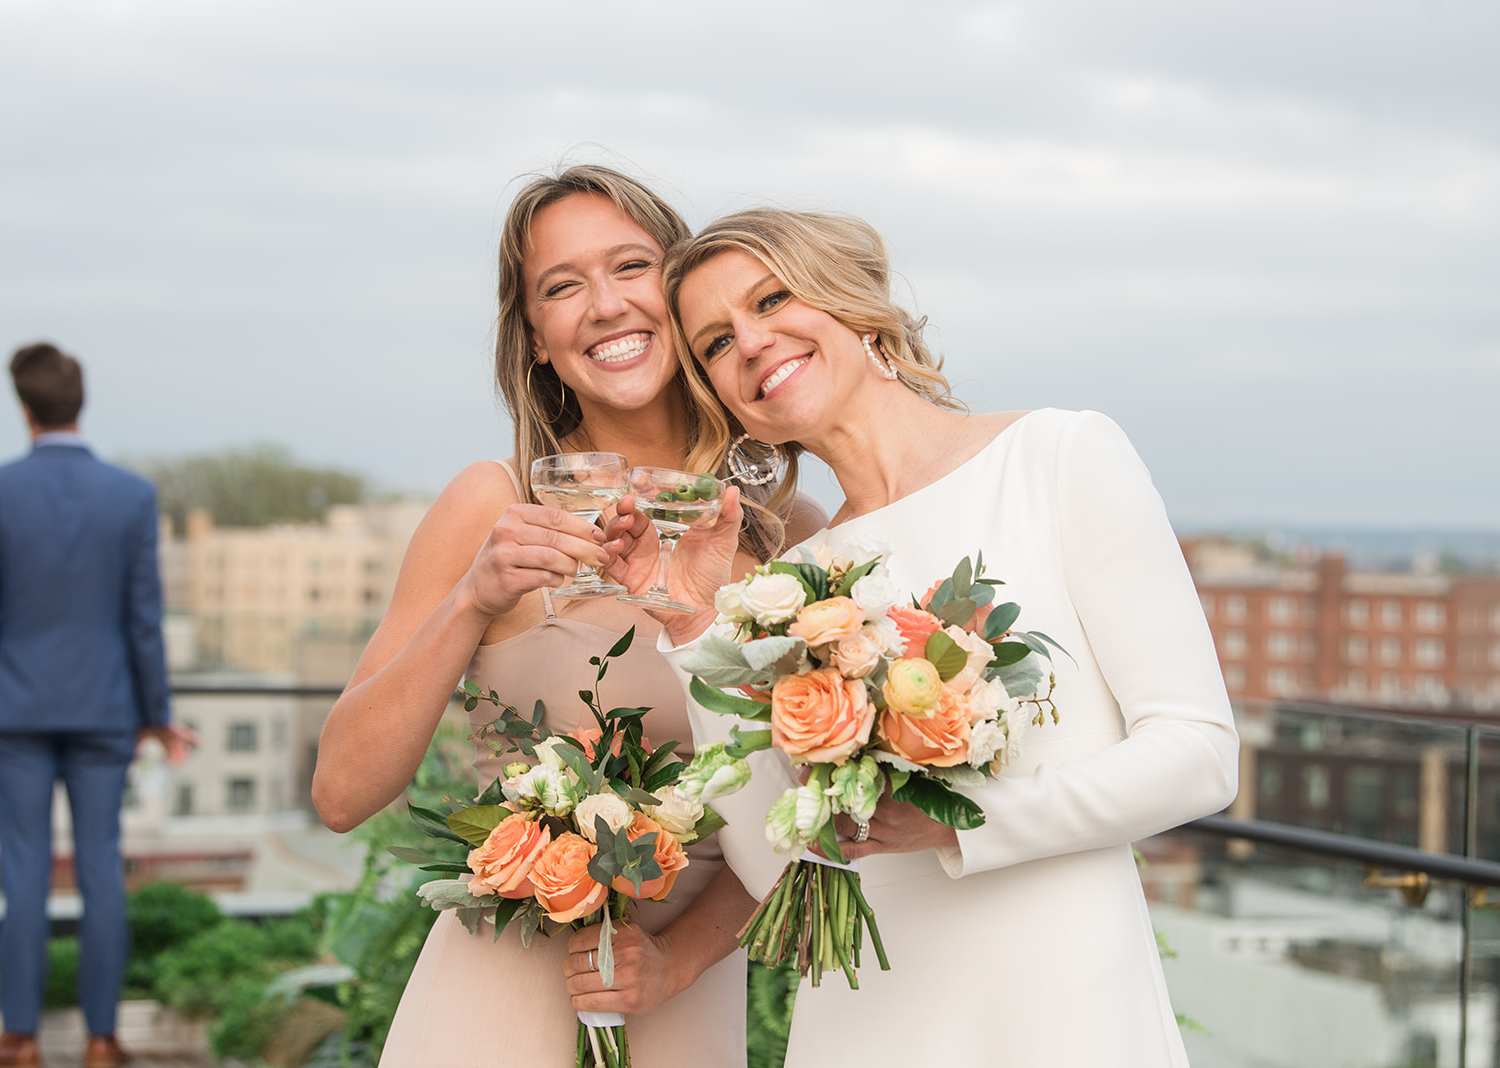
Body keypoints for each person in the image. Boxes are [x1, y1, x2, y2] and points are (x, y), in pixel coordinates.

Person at [625, 208, 1240, 1065]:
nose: (753, 343)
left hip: (1064, 1009)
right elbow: (780, 872)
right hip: (869, 1028)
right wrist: (694, 628)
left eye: (771, 300)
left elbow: (1199, 754)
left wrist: (959, 824)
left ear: (857, 305)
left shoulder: (1059, 458)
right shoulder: (790, 582)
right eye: (717, 344)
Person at [311, 166, 824, 1067]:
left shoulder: (793, 538)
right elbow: (342, 794)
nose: (603, 305)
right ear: (538, 340)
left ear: (681, 286)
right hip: (494, 1007)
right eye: (561, 286)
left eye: (631, 267)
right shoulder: (492, 505)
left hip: (686, 1006)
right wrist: (474, 598)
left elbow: (806, 820)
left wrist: (674, 963)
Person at [0, 343, 195, 1068]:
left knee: (21, 874)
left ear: (24, 409)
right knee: (100, 872)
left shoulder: (3, 490)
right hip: (106, 709)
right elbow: (142, 619)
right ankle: (102, 1040)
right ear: (78, 404)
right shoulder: (129, 495)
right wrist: (156, 711)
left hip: (14, 711)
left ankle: (17, 1039)